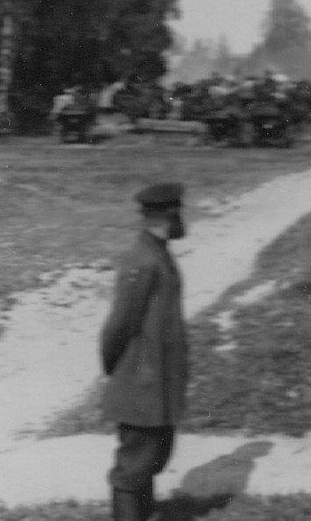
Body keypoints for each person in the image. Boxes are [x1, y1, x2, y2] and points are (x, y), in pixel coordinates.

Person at [100, 183, 190, 521]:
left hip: (157, 382)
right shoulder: (144, 260)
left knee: (152, 457)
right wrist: (119, 372)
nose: (183, 220)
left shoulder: (159, 252)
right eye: (179, 213)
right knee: (134, 465)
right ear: (169, 214)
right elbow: (118, 326)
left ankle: (145, 515)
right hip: (142, 382)